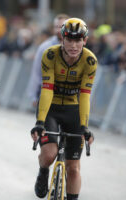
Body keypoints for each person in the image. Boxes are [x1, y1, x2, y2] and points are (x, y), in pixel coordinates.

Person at [30, 18, 96, 200]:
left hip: (73, 109)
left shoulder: (90, 60)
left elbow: (84, 95)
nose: (74, 45)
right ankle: (43, 171)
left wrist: (84, 126)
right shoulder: (50, 55)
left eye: (78, 40)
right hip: (51, 108)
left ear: (85, 40)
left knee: (73, 167)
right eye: (69, 40)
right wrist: (40, 122)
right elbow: (47, 89)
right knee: (49, 155)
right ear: (62, 39)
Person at [27, 14, 69, 107]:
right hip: (46, 94)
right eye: (56, 27)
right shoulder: (44, 47)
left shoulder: (76, 47)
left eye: (61, 27)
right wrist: (33, 96)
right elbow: (36, 72)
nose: (58, 30)